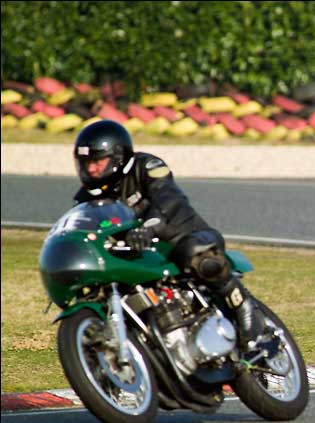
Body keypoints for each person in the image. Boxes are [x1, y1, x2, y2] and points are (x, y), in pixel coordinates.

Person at [72, 119, 265, 352]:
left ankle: (242, 304)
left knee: (196, 255)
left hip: (184, 237)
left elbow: (168, 196)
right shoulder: (84, 200)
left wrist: (149, 226)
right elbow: (82, 229)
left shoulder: (147, 165)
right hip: (141, 256)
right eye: (86, 163)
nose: (91, 169)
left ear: (118, 157)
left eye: (97, 161)